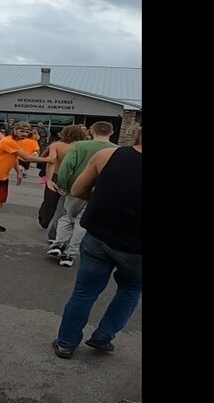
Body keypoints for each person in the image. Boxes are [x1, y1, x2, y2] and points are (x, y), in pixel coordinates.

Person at [52, 126, 141, 358]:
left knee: (84, 292)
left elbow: (77, 189)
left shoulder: (108, 155)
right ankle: (103, 337)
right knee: (130, 291)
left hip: (99, 236)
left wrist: (104, 200)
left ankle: (66, 343)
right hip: (137, 249)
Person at [46, 121, 117, 266]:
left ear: (91, 131)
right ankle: (70, 254)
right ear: (112, 133)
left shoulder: (80, 146)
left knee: (67, 217)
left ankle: (58, 244)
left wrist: (63, 185)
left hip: (76, 187)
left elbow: (67, 166)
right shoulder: (116, 150)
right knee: (81, 223)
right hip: (99, 191)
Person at [0, 121, 50, 238]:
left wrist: (18, 171)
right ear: (15, 130)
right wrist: (49, 159)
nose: (24, 134)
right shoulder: (8, 141)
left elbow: (14, 157)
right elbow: (27, 157)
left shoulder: (16, 142)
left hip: (2, 175)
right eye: (21, 131)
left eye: (27, 132)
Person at [39, 125, 89, 236]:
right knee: (64, 206)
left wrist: (49, 178)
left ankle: (44, 220)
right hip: (74, 177)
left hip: (56, 175)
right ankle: (54, 232)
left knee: (50, 201)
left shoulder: (56, 145)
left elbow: (51, 161)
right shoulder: (84, 146)